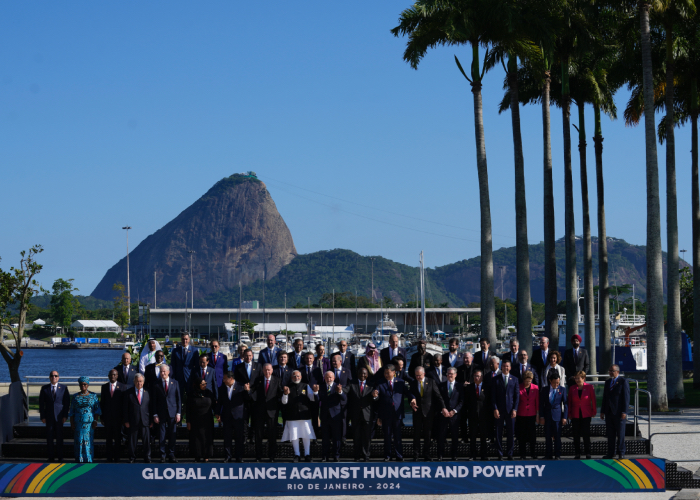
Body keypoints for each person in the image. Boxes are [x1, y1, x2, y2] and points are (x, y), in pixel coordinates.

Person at [409, 366, 444, 461]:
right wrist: (411, 402)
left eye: (419, 375)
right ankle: (416, 455)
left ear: (423, 374)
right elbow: (410, 395)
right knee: (416, 434)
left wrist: (443, 407)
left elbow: (438, 396)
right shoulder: (413, 383)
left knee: (427, 435)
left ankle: (426, 454)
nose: (418, 377)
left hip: (428, 412)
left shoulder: (431, 382)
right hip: (417, 412)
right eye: (416, 375)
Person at [249, 363, 282, 462]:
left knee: (272, 435)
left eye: (269, 370)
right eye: (265, 370)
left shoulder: (277, 380)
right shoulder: (258, 380)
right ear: (262, 371)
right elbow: (252, 392)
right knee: (258, 436)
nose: (267, 372)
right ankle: (258, 456)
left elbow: (280, 394)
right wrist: (248, 390)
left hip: (272, 412)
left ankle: (272, 456)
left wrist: (285, 393)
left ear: (272, 370)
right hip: (259, 412)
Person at [281, 370, 316, 462]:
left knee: (306, 435)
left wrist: (315, 392)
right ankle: (297, 454)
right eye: (294, 376)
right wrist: (285, 394)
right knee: (294, 436)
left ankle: (307, 454)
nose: (296, 378)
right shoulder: (287, 387)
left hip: (305, 415)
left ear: (300, 377)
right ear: (291, 377)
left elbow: (312, 398)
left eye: (298, 376)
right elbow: (284, 402)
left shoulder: (306, 386)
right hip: (292, 415)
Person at [373, 364, 406, 462]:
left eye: (388, 373)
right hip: (385, 414)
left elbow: (407, 393)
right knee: (387, 436)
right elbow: (377, 397)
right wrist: (375, 396)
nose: (386, 375)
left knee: (397, 436)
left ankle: (399, 455)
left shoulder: (400, 382)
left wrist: (413, 398)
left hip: (397, 413)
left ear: (393, 372)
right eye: (385, 373)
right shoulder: (380, 382)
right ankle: (388, 456)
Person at [216, 372, 250, 463]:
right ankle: (228, 456)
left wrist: (247, 391)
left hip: (238, 416)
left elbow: (247, 400)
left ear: (231, 379)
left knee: (239, 437)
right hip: (227, 416)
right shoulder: (222, 388)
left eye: (225, 379)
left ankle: (239, 457)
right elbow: (220, 402)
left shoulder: (241, 386)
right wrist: (217, 413)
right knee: (227, 437)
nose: (223, 381)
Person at [152, 365, 181, 463]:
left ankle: (171, 454)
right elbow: (154, 401)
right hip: (161, 413)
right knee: (162, 435)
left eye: (164, 371)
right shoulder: (156, 384)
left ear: (168, 372)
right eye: (161, 372)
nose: (162, 373)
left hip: (173, 413)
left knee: (172, 435)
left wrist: (178, 413)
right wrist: (155, 414)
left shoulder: (175, 383)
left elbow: (178, 400)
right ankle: (162, 455)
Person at [39, 371, 70, 463]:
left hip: (60, 417)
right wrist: (42, 416)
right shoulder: (44, 388)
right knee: (49, 438)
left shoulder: (64, 388)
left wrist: (65, 415)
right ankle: (51, 457)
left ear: (58, 377)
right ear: (49, 377)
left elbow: (67, 403)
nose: (54, 377)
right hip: (48, 417)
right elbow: (41, 404)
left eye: (55, 376)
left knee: (59, 438)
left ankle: (60, 457)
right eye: (52, 376)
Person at [68, 376, 101, 463]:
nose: (83, 386)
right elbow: (72, 410)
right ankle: (79, 459)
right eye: (81, 384)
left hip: (89, 424)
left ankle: (88, 459)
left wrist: (95, 421)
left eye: (85, 384)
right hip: (78, 423)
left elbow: (97, 409)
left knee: (88, 441)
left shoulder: (93, 396)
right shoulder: (75, 397)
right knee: (79, 441)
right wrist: (71, 423)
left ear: (88, 385)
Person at [316, 371, 347, 462]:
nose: (329, 379)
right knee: (325, 437)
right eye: (327, 377)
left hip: (336, 416)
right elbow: (317, 400)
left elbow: (344, 398)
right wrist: (315, 392)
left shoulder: (338, 386)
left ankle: (336, 455)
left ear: (333, 378)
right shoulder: (321, 387)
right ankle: (325, 456)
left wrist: (340, 392)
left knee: (336, 437)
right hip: (325, 416)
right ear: (324, 378)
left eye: (330, 377)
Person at [601, 364, 630, 459]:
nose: (610, 372)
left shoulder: (623, 381)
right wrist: (602, 411)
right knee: (610, 434)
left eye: (612, 371)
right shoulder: (608, 382)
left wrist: (624, 411)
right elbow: (605, 398)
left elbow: (626, 398)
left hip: (619, 412)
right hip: (609, 412)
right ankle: (611, 452)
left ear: (617, 372)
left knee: (620, 434)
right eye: (609, 371)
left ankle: (621, 452)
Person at [492, 360, 519, 460]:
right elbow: (493, 396)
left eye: (507, 366)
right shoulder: (495, 379)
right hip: (499, 410)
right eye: (504, 366)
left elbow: (517, 397)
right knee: (498, 433)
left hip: (510, 410)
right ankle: (500, 453)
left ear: (510, 367)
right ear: (501, 367)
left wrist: (515, 409)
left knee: (510, 433)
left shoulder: (515, 379)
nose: (505, 368)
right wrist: (495, 408)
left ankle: (510, 453)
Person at [347, 367, 375, 462]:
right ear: (357, 374)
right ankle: (357, 456)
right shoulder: (352, 383)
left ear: (367, 375)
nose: (362, 375)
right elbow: (345, 391)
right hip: (355, 415)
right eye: (360, 373)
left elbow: (376, 400)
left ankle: (366, 456)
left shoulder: (371, 385)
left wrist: (375, 397)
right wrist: (340, 390)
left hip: (367, 416)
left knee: (367, 438)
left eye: (364, 374)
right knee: (356, 437)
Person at [123, 374, 152, 463]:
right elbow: (125, 408)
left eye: (141, 381)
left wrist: (151, 421)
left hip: (145, 420)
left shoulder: (148, 392)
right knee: (132, 441)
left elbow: (151, 407)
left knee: (146, 441)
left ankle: (147, 457)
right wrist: (126, 420)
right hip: (133, 421)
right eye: (137, 381)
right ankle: (132, 457)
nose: (139, 383)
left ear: (143, 382)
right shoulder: (128, 392)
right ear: (134, 382)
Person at [539, 371, 568, 460]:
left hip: (557, 417)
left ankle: (557, 454)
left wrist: (565, 417)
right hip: (547, 416)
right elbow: (541, 404)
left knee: (557, 436)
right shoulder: (544, 389)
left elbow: (565, 404)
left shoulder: (562, 389)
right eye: (554, 382)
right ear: (550, 381)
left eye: (558, 382)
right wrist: (542, 416)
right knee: (548, 436)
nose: (556, 384)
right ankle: (548, 454)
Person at [437, 367, 463, 461]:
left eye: (451, 373)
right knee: (441, 436)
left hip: (454, 416)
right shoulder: (441, 385)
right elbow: (438, 399)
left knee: (455, 436)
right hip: (443, 415)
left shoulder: (459, 386)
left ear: (455, 374)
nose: (449, 375)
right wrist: (443, 409)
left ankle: (454, 455)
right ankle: (440, 455)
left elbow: (461, 401)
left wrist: (454, 411)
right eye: (448, 374)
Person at [569, 370, 596, 459]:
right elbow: (569, 402)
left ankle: (587, 452)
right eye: (575, 378)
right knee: (576, 435)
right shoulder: (572, 388)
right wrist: (569, 413)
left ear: (583, 378)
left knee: (586, 434)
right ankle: (577, 453)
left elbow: (593, 400)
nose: (576, 380)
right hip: (575, 414)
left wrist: (594, 411)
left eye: (578, 378)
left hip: (586, 414)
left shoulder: (590, 387)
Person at [187, 378, 216, 462]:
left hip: (207, 420)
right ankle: (197, 455)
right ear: (197, 384)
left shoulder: (209, 393)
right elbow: (188, 409)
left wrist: (218, 414)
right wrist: (188, 421)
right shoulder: (192, 394)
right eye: (202, 384)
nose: (205, 385)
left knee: (207, 438)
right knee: (196, 439)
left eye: (205, 383)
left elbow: (214, 405)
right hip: (195, 420)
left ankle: (206, 455)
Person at [100, 369, 126, 462]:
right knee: (108, 439)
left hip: (118, 419)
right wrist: (102, 417)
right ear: (108, 376)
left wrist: (123, 418)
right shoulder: (104, 387)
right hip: (107, 418)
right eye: (111, 375)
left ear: (117, 376)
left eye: (114, 375)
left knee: (118, 439)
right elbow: (102, 403)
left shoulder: (123, 387)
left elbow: (124, 404)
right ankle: (109, 457)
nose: (112, 376)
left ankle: (117, 457)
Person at [467, 370, 490, 460]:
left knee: (483, 436)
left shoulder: (487, 387)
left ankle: (483, 455)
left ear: (482, 377)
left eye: (478, 376)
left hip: (483, 415)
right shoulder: (470, 387)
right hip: (472, 415)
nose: (477, 378)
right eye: (475, 376)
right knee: (472, 436)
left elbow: (488, 401)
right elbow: (467, 402)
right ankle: (473, 455)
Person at [516, 370, 539, 460]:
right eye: (526, 381)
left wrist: (537, 414)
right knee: (522, 436)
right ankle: (523, 454)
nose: (528, 382)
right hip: (521, 414)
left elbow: (537, 402)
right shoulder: (518, 387)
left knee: (532, 436)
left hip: (532, 414)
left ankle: (533, 453)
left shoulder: (535, 388)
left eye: (529, 381)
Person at [171, 333, 198, 399]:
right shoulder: (175, 351)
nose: (184, 341)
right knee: (178, 398)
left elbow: (196, 365)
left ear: (189, 340)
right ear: (181, 340)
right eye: (183, 339)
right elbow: (173, 365)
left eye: (186, 339)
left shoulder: (194, 351)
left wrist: (195, 378)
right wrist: (173, 378)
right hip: (178, 378)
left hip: (190, 378)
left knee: (191, 398)